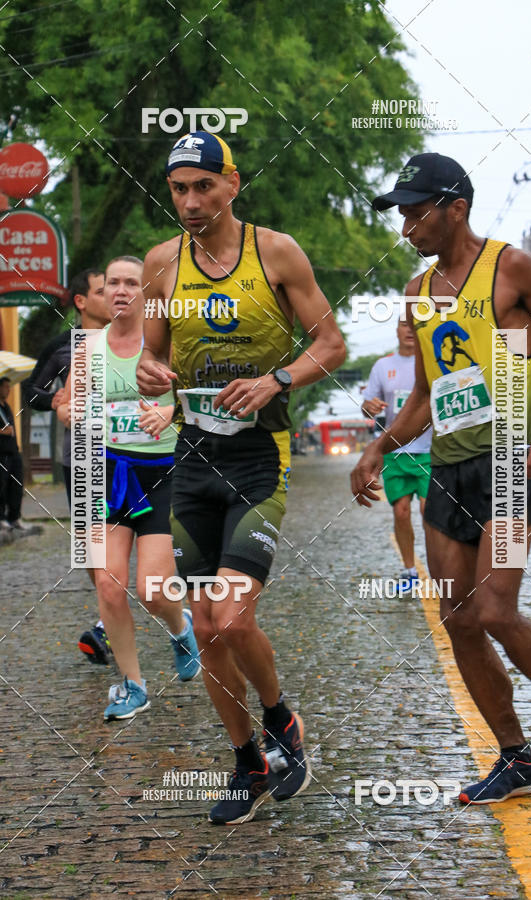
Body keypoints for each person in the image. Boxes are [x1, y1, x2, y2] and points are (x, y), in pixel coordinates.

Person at [351, 152, 531, 804]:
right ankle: (516, 757)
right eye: (402, 215)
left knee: (494, 609)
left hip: (512, 461)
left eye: (415, 212)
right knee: (458, 617)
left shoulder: (511, 267)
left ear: (455, 208)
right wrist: (378, 448)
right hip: (448, 468)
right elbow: (426, 395)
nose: (406, 227)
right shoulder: (417, 293)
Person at [136, 131, 346, 824]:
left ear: (231, 183)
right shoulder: (161, 265)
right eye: (179, 190)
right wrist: (152, 377)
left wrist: (276, 379)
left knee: (230, 617)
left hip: (260, 459)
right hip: (193, 461)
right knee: (204, 625)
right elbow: (152, 358)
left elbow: (331, 343)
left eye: (204, 186)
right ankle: (248, 762)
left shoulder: (276, 252)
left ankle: (281, 717)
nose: (191, 201)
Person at [57, 256, 201, 720]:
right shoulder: (89, 347)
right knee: (108, 584)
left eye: (132, 283)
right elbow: (66, 402)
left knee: (153, 589)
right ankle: (133, 685)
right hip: (104, 472)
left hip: (162, 473)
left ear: (147, 292)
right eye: (112, 283)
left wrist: (171, 413)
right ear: (102, 294)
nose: (120, 290)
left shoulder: (169, 342)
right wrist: (68, 411)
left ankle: (180, 628)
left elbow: (198, 400)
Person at [23, 268, 113, 663]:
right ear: (81, 301)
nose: (113, 296)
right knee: (90, 546)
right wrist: (54, 400)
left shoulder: (132, 340)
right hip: (79, 455)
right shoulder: (62, 347)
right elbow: (31, 390)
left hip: (131, 455)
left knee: (134, 540)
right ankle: (110, 617)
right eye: (102, 290)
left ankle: (120, 619)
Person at [361, 316, 432, 595]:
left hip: (429, 450)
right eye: (404, 324)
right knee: (401, 512)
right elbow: (367, 406)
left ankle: (441, 568)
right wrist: (369, 406)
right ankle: (409, 570)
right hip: (395, 451)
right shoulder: (383, 366)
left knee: (429, 510)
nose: (410, 330)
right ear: (397, 330)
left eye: (415, 325)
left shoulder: (432, 361)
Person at [0, 376, 31, 531]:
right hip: (1, 453)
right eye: (5, 387)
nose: (8, 390)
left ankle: (14, 517)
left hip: (13, 452)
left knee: (17, 486)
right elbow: (5, 430)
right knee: (1, 486)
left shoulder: (6, 407)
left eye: (9, 386)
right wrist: (2, 431)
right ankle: (1, 518)